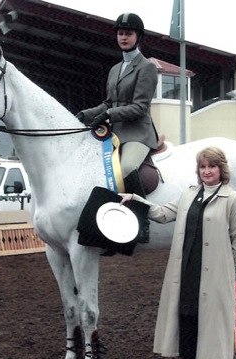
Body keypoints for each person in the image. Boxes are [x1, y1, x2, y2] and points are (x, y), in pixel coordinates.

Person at [119, 146, 236, 359]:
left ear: (222, 170)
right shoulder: (188, 195)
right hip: (187, 273)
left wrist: (227, 274)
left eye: (212, 166)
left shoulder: (235, 201)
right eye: (203, 167)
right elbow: (163, 213)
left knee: (214, 329)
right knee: (187, 327)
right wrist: (136, 200)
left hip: (215, 277)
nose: (207, 171)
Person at [76, 13, 158, 241]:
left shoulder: (147, 67)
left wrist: (109, 114)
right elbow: (108, 102)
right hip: (115, 133)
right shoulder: (115, 69)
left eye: (128, 33)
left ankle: (143, 221)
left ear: (137, 37)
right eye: (120, 33)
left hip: (138, 133)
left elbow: (140, 107)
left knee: (126, 167)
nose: (123, 37)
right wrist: (85, 114)